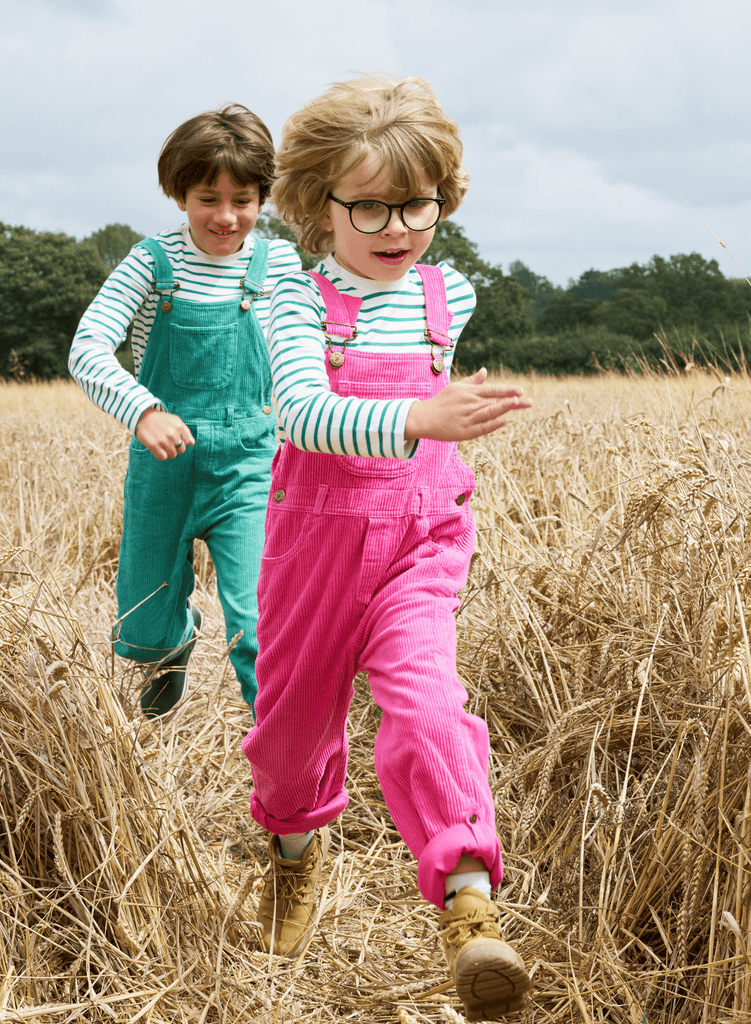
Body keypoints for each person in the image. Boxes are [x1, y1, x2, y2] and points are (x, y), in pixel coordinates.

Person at [242, 77, 534, 1021]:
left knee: (427, 701)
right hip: (318, 543)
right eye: (369, 204)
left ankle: (468, 904)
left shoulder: (450, 294)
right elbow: (302, 413)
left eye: (419, 203)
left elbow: (434, 412)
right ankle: (295, 853)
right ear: (317, 203)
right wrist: (422, 414)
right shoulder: (296, 298)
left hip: (424, 535)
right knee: (289, 751)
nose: (399, 225)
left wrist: (447, 420)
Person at [69, 104, 301, 718]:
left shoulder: (278, 265)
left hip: (249, 467)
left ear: (262, 197)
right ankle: (174, 642)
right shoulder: (150, 263)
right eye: (208, 198)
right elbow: (87, 348)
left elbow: (301, 357)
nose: (227, 217)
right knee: (142, 629)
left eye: (244, 199)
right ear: (179, 195)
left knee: (257, 628)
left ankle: (280, 777)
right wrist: (143, 412)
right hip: (163, 464)